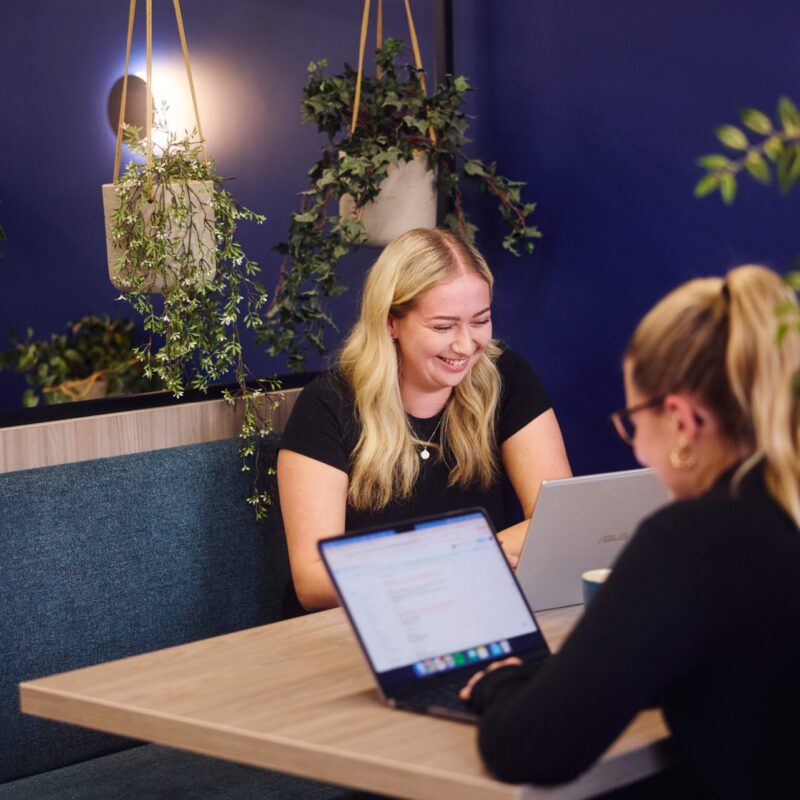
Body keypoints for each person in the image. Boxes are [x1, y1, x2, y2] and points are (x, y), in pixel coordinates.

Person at [460, 264, 800, 799]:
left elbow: (530, 747)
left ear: (682, 421)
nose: (636, 445)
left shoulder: (692, 541)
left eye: (633, 422)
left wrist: (501, 680)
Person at [278, 227, 571, 613]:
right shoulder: (327, 405)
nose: (465, 345)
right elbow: (313, 581)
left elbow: (560, 519)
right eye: (443, 326)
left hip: (469, 611)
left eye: (480, 321)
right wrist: (461, 559)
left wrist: (460, 560)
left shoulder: (507, 378)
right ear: (391, 323)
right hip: (357, 624)